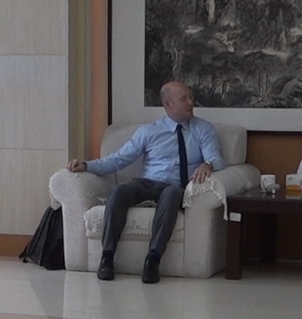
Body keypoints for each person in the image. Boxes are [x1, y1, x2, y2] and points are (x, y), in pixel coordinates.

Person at [67, 80, 221, 284]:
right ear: (168, 104)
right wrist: (87, 165)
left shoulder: (203, 128)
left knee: (172, 195)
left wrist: (208, 164)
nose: (191, 103)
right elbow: (118, 159)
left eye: (191, 98)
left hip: (175, 187)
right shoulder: (150, 131)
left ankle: (153, 260)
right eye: (184, 99)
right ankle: (107, 257)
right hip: (147, 183)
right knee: (119, 192)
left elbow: (216, 158)